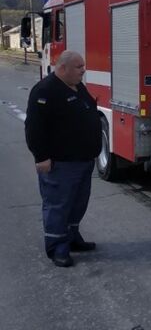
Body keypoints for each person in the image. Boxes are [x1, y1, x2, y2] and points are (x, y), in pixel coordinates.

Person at [25, 51, 101, 267]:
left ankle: (72, 237)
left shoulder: (77, 86)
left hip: (83, 160)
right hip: (61, 163)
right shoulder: (45, 91)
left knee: (77, 203)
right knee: (58, 205)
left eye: (83, 66)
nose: (83, 70)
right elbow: (34, 128)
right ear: (62, 68)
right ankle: (57, 247)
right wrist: (41, 157)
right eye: (78, 66)